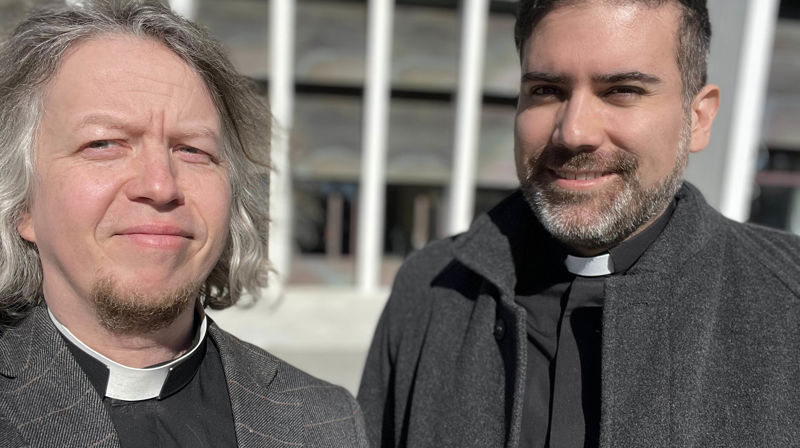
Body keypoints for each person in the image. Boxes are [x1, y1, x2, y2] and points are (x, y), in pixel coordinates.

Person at [358, 0, 800, 447]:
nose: (574, 132)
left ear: (698, 118)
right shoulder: (429, 291)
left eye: (622, 90)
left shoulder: (789, 305)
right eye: (547, 90)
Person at [0, 1, 367, 447]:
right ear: (21, 204)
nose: (160, 185)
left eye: (192, 149)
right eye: (104, 143)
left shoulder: (326, 422)